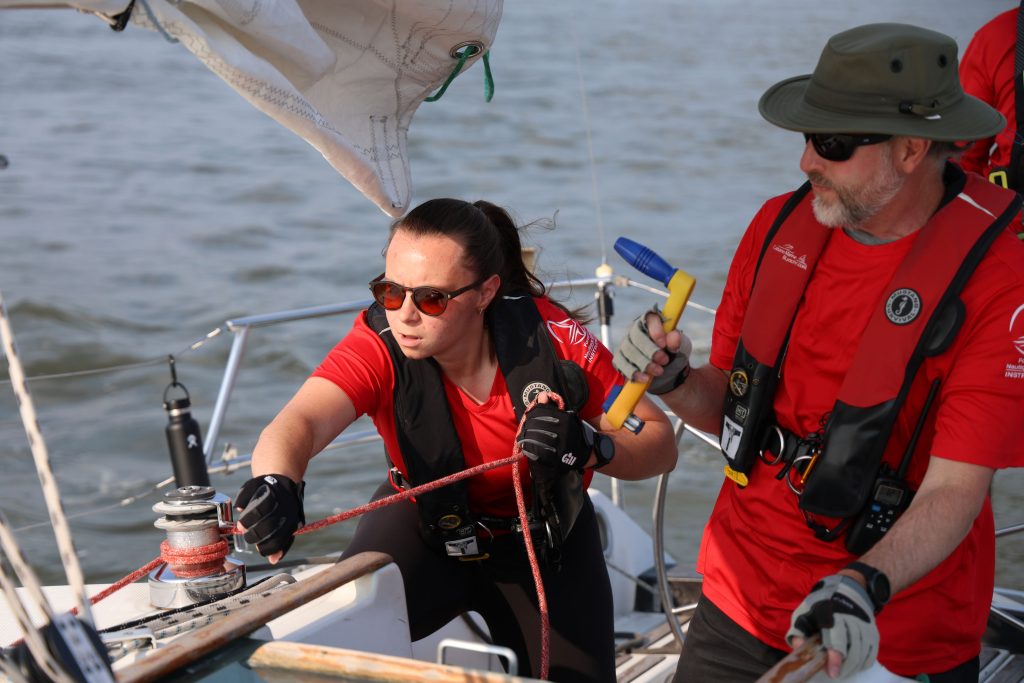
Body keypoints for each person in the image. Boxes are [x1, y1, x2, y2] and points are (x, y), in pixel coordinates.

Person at [614, 23, 1024, 683]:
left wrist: (861, 585)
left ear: (914, 148)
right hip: (737, 597)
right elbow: (734, 406)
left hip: (887, 626)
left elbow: (956, 490)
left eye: (832, 143)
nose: (807, 162)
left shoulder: (1000, 283)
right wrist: (676, 379)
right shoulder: (779, 224)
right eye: (807, 136)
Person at [233, 198, 678, 683]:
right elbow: (299, 424)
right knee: (328, 648)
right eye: (389, 291)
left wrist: (590, 446)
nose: (404, 315)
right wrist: (276, 481)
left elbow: (658, 442)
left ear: (486, 292)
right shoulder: (378, 343)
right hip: (424, 527)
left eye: (430, 299)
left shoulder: (556, 339)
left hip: (545, 543)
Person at [959, 6, 1020, 188]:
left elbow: (959, 155)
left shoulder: (997, 36)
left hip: (1012, 210)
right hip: (1012, 209)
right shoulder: (997, 37)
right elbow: (961, 156)